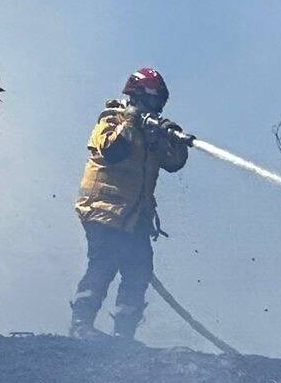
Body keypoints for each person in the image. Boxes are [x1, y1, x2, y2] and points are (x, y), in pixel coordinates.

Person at [69, 67, 192, 339]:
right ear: (136, 97)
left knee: (139, 270)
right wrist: (131, 120)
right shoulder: (110, 120)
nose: (155, 109)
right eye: (151, 102)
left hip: (135, 218)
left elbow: (173, 163)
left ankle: (123, 337)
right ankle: (80, 325)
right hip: (103, 211)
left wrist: (172, 138)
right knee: (104, 265)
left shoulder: (150, 134)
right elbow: (113, 151)